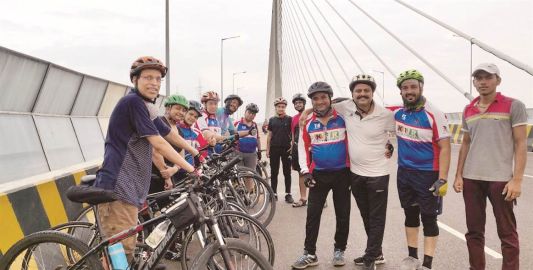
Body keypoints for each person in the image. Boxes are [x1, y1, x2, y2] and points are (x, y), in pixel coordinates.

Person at [93, 56, 197, 265]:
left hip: (131, 186)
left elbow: (168, 133)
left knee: (125, 250)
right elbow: (158, 142)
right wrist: (190, 168)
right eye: (148, 77)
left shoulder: (147, 107)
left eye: (158, 79)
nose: (154, 83)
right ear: (135, 80)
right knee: (121, 252)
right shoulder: (132, 102)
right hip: (117, 185)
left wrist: (193, 151)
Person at [453, 63, 527, 270]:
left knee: (507, 233)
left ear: (498, 80)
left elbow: (521, 143)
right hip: (471, 178)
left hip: (500, 180)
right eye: (478, 78)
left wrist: (517, 180)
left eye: (488, 77)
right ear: (474, 82)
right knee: (474, 232)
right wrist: (459, 175)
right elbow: (466, 143)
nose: (483, 82)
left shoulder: (514, 105)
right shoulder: (468, 109)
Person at [333, 74, 395, 270]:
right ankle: (376, 252)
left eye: (366, 90)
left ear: (372, 93)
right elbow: (323, 105)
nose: (362, 94)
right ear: (352, 94)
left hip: (378, 174)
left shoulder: (385, 115)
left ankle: (370, 259)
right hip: (356, 173)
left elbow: (399, 134)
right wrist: (305, 112)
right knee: (366, 215)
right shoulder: (345, 108)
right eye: (358, 91)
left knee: (376, 218)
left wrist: (390, 145)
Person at [393, 69, 451, 270]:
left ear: (421, 87)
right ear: (400, 91)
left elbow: (445, 148)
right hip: (404, 173)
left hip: (428, 174)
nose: (409, 91)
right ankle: (412, 258)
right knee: (410, 215)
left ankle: (427, 264)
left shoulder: (434, 113)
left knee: (429, 218)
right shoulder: (398, 113)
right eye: (405, 87)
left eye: (413, 87)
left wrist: (442, 179)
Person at [292, 82, 351, 269]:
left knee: (343, 214)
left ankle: (339, 250)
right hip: (318, 174)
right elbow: (302, 148)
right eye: (315, 99)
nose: (320, 101)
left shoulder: (343, 117)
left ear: (330, 98)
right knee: (313, 215)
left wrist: (307, 109)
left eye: (323, 97)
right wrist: (305, 171)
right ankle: (309, 253)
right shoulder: (307, 123)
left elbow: (353, 100)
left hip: (343, 173)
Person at [150, 94, 189, 194]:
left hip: (169, 176)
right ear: (168, 108)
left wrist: (174, 169)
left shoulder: (180, 132)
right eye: (178, 108)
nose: (181, 112)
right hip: (153, 175)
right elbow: (155, 151)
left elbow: (181, 155)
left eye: (184, 110)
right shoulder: (159, 122)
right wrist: (166, 176)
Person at [176, 100, 213, 180]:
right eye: (191, 114)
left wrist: (211, 144)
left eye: (196, 117)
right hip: (176, 172)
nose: (192, 118)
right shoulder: (174, 129)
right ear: (185, 112)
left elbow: (203, 152)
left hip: (192, 173)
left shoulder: (196, 132)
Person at [266, 97, 294, 203]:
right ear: (276, 108)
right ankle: (274, 194)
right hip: (274, 149)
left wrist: (292, 146)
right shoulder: (272, 120)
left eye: (283, 107)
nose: (281, 109)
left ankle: (288, 194)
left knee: (287, 172)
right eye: (279, 107)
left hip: (286, 149)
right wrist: (268, 149)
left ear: (285, 107)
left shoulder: (290, 119)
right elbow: (269, 135)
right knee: (274, 172)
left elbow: (293, 134)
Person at [234, 103, 262, 190]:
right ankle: (240, 196)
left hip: (251, 154)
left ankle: (250, 196)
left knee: (249, 175)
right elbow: (231, 137)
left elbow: (257, 138)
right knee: (239, 175)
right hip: (238, 153)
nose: (251, 115)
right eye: (249, 112)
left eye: (253, 114)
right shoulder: (237, 123)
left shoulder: (255, 125)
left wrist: (259, 150)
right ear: (245, 112)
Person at [290, 93, 308, 207]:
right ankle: (303, 198)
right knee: (301, 173)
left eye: (300, 102)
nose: (298, 104)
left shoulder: (311, 115)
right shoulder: (294, 118)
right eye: (296, 103)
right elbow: (293, 134)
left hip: (310, 148)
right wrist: (292, 149)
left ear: (304, 104)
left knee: (315, 173)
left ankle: (320, 198)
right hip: (298, 149)